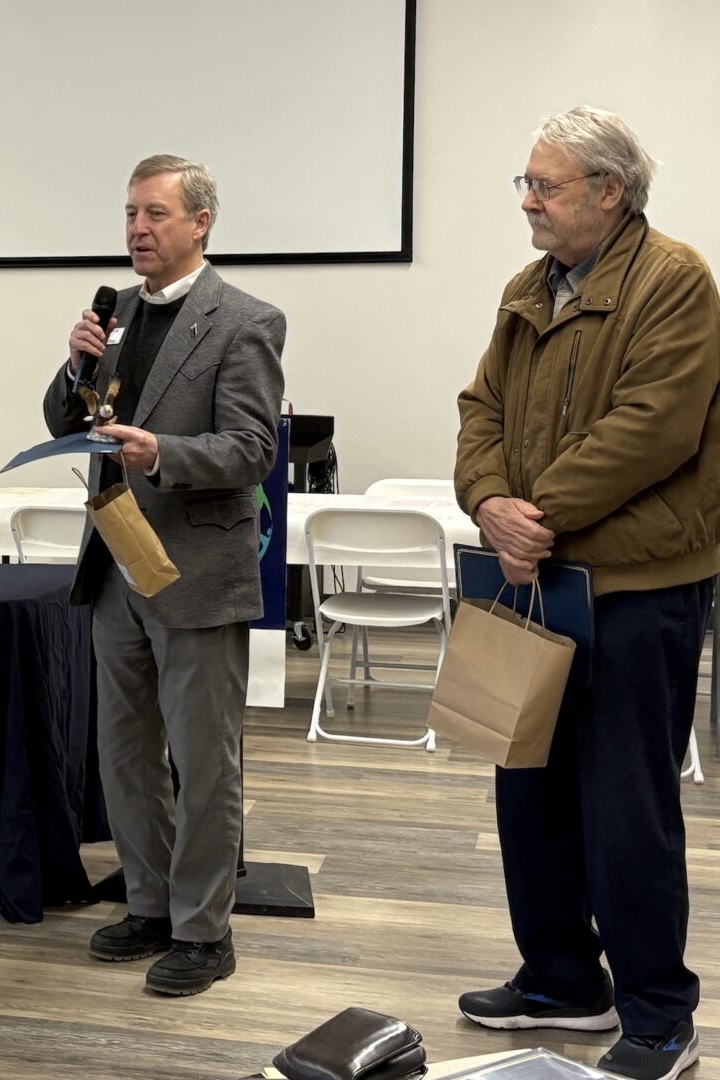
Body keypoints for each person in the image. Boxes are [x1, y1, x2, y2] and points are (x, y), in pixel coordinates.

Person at [454, 106, 720, 1080]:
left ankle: (658, 1016)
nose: (527, 200)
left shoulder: (676, 281)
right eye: (524, 183)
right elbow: (479, 406)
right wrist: (487, 500)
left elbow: (655, 425)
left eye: (545, 184)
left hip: (635, 587)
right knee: (524, 785)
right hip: (530, 579)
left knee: (623, 806)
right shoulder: (528, 289)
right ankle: (561, 976)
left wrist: (535, 512)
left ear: (610, 191)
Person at [44, 155, 285, 996]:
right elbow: (68, 420)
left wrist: (164, 453)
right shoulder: (112, 322)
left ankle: (203, 930)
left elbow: (253, 449)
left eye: (155, 214)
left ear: (200, 223)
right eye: (130, 215)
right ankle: (146, 904)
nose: (138, 230)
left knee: (203, 756)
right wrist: (76, 372)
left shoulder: (245, 320)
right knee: (125, 754)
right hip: (115, 563)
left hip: (193, 567)